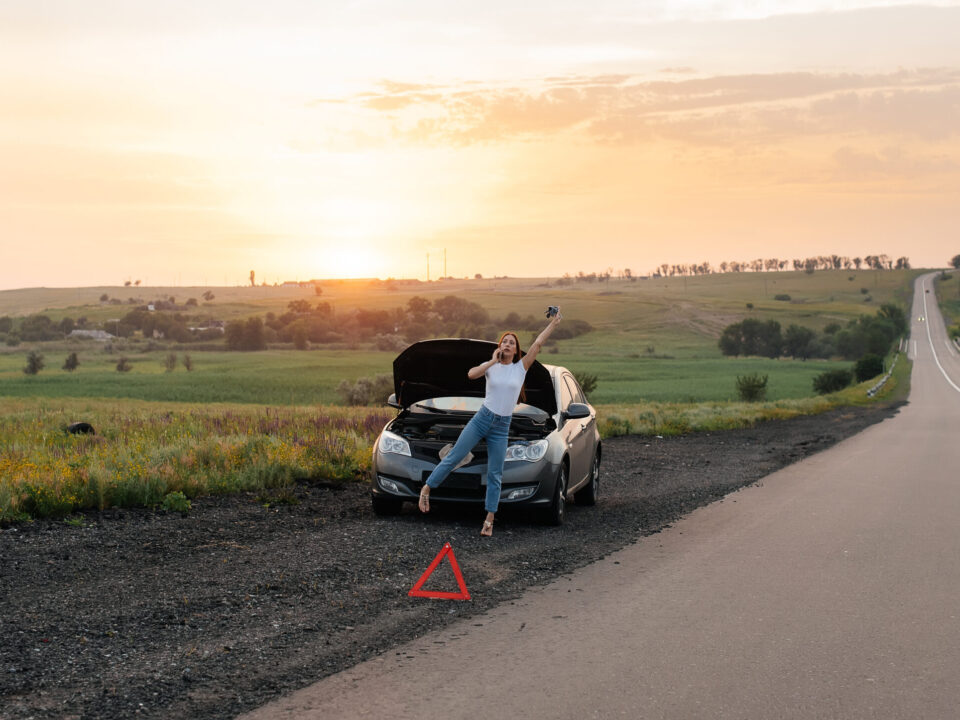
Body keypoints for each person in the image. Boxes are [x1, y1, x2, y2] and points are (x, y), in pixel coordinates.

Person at [418, 310, 563, 536]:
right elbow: (471, 375)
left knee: (496, 472)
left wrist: (554, 324)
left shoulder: (520, 368)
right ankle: (427, 488)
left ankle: (489, 519)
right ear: (499, 346)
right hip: (482, 418)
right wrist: (491, 362)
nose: (507, 344)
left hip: (502, 426)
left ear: (516, 350)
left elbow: (537, 343)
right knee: (456, 454)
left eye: (511, 343)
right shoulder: (491, 366)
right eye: (504, 341)